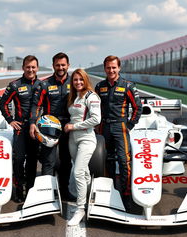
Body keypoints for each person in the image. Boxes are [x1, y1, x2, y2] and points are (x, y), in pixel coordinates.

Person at [95, 55, 142, 210]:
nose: (111, 70)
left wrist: (129, 125)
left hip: (120, 127)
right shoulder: (99, 86)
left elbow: (137, 108)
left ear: (119, 68)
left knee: (123, 160)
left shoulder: (128, 86)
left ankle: (126, 194)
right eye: (108, 68)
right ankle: (109, 190)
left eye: (114, 67)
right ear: (105, 69)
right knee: (105, 160)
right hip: (104, 128)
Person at [30, 52, 72, 200]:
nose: (60, 67)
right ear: (53, 66)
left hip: (68, 127)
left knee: (66, 161)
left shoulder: (75, 82)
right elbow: (36, 105)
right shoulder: (45, 84)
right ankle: (46, 194)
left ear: (68, 65)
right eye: (57, 65)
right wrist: (32, 123)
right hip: (49, 127)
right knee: (48, 162)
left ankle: (64, 191)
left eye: (63, 65)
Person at [0, 55, 40, 203]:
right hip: (21, 128)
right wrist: (10, 120)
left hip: (36, 128)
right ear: (23, 68)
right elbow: (2, 103)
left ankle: (31, 189)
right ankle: (19, 188)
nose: (30, 70)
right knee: (18, 159)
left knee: (32, 160)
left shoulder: (42, 85)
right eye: (28, 67)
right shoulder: (15, 85)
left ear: (37, 68)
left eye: (33, 67)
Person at [64, 69, 101, 226]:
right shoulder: (73, 96)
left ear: (86, 80)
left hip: (86, 138)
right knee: (84, 173)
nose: (78, 82)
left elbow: (96, 119)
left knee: (78, 171)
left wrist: (74, 126)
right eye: (75, 80)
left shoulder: (91, 96)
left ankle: (80, 209)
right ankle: (89, 201)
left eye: (81, 79)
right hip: (73, 139)